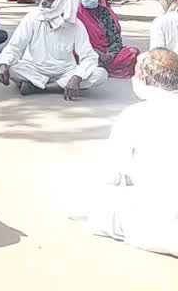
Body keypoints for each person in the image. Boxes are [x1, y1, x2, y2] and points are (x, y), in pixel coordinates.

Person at [75, 48, 178, 258]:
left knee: (78, 194)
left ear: (142, 79)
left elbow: (111, 175)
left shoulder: (136, 115)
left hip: (162, 227)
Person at [0, 0, 108, 99]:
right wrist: (3, 65)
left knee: (100, 74)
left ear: (61, 3)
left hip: (65, 71)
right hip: (34, 68)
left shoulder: (76, 25)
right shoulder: (33, 17)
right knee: (10, 67)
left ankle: (38, 87)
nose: (43, 3)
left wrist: (77, 76)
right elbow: (15, 46)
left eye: (49, 0)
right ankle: (58, 86)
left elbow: (89, 56)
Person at [77, 0, 140, 78]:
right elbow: (73, 40)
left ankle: (100, 65)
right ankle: (96, 65)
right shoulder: (76, 13)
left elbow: (115, 39)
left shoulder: (105, 13)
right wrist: (97, 53)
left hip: (106, 54)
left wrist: (110, 55)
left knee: (133, 52)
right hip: (84, 52)